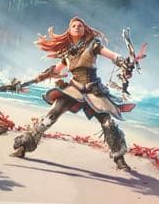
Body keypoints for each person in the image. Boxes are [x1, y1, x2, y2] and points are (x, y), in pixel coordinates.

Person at [11, 16, 145, 172]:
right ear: (69, 30)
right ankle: (23, 146)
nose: (77, 27)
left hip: (94, 90)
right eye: (74, 25)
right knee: (50, 116)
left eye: (80, 25)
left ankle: (119, 159)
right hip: (73, 90)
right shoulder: (68, 52)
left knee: (108, 123)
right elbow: (55, 70)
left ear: (84, 30)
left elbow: (112, 55)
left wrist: (123, 63)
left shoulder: (93, 45)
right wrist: (39, 77)